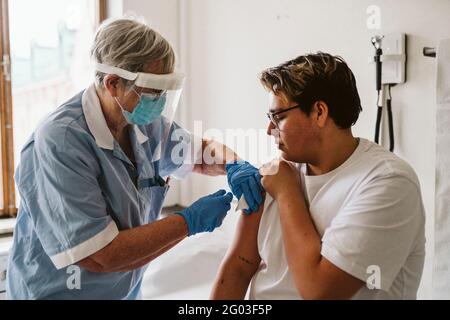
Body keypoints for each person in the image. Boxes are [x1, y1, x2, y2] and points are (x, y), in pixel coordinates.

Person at [7, 17, 263, 299]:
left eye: (165, 90)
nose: (160, 100)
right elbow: (100, 254)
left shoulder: (142, 122)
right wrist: (188, 221)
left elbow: (201, 153)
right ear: (113, 83)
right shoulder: (61, 142)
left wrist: (233, 164)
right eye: (153, 91)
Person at [212, 52, 426, 300]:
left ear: (319, 112)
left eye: (278, 117)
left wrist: (286, 192)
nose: (269, 129)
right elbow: (238, 268)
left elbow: (320, 293)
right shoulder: (276, 173)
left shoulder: (389, 183)